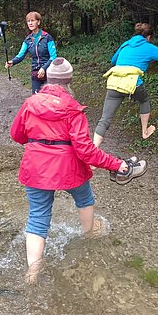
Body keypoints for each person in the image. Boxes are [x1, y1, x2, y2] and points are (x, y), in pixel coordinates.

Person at [10, 57, 147, 283]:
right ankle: (89, 234)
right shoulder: (74, 110)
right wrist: (118, 164)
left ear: (49, 80)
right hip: (68, 168)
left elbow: (16, 135)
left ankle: (32, 274)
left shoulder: (29, 104)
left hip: (35, 167)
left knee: (37, 217)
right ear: (69, 81)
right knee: (84, 198)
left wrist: (38, 140)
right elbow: (85, 151)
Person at [93, 22, 158, 147]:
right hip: (133, 83)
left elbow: (113, 60)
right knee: (144, 101)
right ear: (149, 37)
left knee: (105, 120)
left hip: (114, 83)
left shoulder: (126, 44)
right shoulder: (149, 47)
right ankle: (144, 131)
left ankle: (92, 154)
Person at [5, 11, 57, 93]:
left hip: (49, 73)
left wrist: (44, 68)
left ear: (38, 22)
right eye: (28, 21)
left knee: (49, 100)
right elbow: (20, 55)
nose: (30, 23)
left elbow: (53, 57)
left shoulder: (47, 37)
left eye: (32, 20)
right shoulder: (27, 40)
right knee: (36, 100)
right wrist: (12, 62)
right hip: (35, 73)